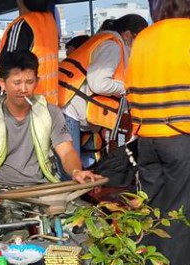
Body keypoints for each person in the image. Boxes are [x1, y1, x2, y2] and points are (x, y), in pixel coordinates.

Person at [0, 50, 96, 210]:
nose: (23, 88)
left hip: (44, 188)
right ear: (2, 84)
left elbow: (67, 152)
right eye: (16, 83)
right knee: (15, 234)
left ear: (37, 81)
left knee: (90, 224)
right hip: (3, 192)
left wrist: (77, 171)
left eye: (29, 82)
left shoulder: (50, 112)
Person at [125, 0, 190, 265]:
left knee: (152, 203)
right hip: (181, 133)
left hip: (147, 135)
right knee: (180, 207)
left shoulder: (145, 37)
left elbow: (128, 83)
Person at [59, 14, 148, 167]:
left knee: (85, 165)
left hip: (72, 107)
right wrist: (127, 88)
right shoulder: (112, 46)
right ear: (127, 35)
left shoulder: (107, 41)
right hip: (69, 110)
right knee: (71, 171)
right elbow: (98, 84)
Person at [0, 0, 59, 105]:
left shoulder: (23, 25)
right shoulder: (50, 23)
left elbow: (10, 66)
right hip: (49, 104)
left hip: (25, 105)